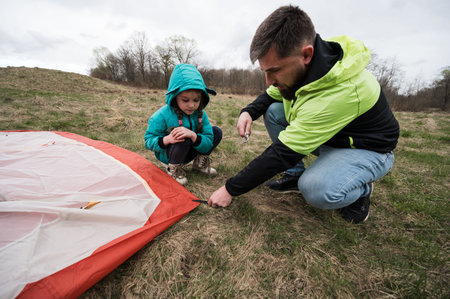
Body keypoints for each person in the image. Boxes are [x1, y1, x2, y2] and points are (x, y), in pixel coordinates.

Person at [208, 5, 399, 224]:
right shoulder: (310, 62)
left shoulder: (342, 93)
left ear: (306, 54)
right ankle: (294, 174)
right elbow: (272, 94)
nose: (269, 80)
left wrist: (229, 189)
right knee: (274, 111)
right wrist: (249, 111)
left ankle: (361, 188)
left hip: (367, 148)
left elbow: (282, 154)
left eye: (275, 70)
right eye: (265, 71)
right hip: (332, 136)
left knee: (316, 190)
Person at [144, 63, 222, 185]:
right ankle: (173, 169)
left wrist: (194, 136)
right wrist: (167, 139)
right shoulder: (162, 115)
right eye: (185, 100)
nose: (191, 105)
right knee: (182, 136)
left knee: (216, 132)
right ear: (175, 97)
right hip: (169, 153)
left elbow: (208, 141)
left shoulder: (201, 114)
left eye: (196, 100)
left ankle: (199, 165)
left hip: (190, 149)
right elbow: (148, 141)